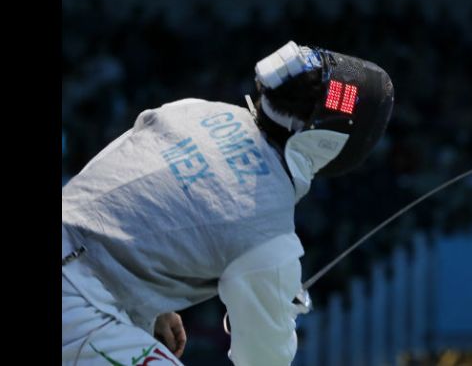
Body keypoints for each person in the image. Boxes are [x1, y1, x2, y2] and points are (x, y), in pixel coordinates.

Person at [62, 41, 394, 365]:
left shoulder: (193, 110)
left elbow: (106, 194)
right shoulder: (267, 233)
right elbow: (264, 359)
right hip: (76, 304)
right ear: (332, 143)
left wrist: (149, 305)